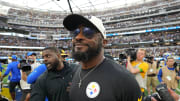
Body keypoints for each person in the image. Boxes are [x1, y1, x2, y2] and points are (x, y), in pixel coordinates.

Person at [63, 14, 141, 101]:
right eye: (75, 32)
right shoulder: (76, 72)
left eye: (88, 32)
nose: (78, 37)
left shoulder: (124, 79)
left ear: (104, 42)